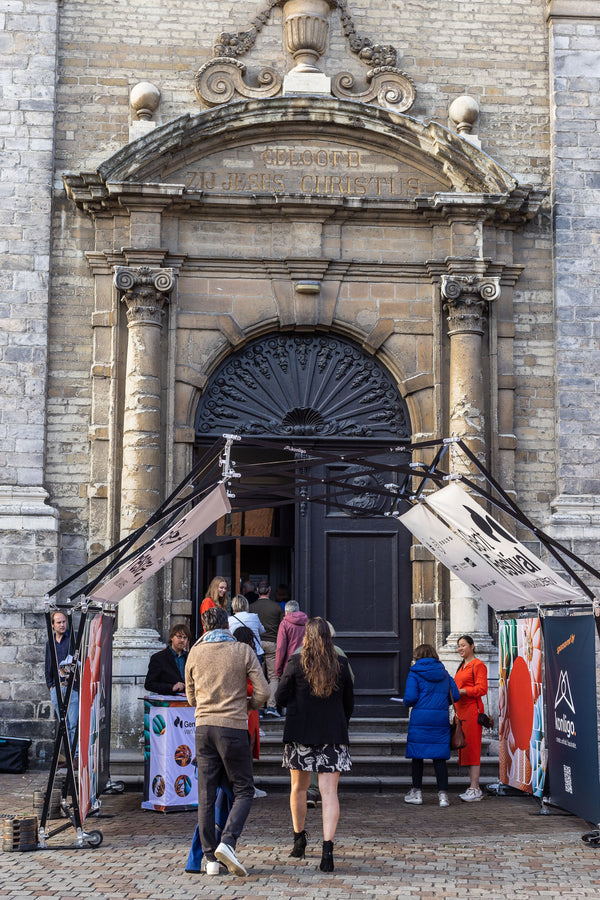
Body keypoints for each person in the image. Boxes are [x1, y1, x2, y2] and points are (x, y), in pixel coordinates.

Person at [185, 606, 270, 877]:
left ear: (204, 626)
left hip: (203, 727)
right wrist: (249, 705)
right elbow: (264, 691)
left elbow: (190, 697)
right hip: (233, 727)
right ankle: (228, 841)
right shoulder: (242, 651)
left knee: (206, 795)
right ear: (227, 626)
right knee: (244, 789)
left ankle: (210, 859)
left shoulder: (195, 652)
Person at [275, 616, 354, 874]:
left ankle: (299, 840)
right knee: (329, 793)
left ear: (306, 637)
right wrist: (340, 723)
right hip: (332, 735)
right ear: (329, 638)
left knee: (298, 788)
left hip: (301, 734)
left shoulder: (296, 662)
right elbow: (349, 703)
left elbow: (280, 696)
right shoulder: (341, 664)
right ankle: (327, 851)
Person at [402, 643, 460, 808]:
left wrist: (406, 701)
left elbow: (411, 697)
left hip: (420, 719)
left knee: (417, 756)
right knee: (439, 757)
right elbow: (455, 695)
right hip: (439, 718)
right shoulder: (444, 673)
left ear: (417, 656)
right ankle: (443, 796)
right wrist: (441, 702)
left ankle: (416, 793)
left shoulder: (415, 673)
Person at [454, 634, 488, 802]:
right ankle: (473, 787)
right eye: (458, 646)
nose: (460, 648)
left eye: (463, 645)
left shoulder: (478, 665)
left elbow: (482, 689)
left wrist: (462, 691)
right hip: (461, 712)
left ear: (472, 646)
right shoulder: (462, 666)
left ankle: (475, 788)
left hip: (472, 712)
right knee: (466, 749)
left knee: (472, 749)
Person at [233, 625, 266, 799]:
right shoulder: (247, 657)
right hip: (244, 707)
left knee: (246, 747)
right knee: (245, 747)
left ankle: (246, 784)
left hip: (241, 707)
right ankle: (244, 785)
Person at [45, 609, 79, 749]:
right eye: (58, 622)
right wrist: (50, 686)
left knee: (74, 724)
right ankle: (68, 753)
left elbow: (83, 660)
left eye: (64, 622)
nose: (62, 625)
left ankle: (75, 755)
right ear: (53, 625)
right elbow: (48, 665)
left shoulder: (73, 638)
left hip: (73, 687)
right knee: (64, 724)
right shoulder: (50, 642)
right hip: (56, 687)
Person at [251, 580, 284, 716]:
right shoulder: (277, 607)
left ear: (257, 591)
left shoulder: (251, 607)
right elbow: (282, 628)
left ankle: (259, 708)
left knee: (257, 676)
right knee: (273, 677)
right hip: (272, 643)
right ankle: (271, 707)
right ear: (269, 591)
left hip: (257, 644)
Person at [144, 623, 191, 695]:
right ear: (172, 637)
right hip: (168, 700)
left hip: (188, 700)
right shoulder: (159, 658)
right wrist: (172, 687)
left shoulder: (190, 657)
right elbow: (149, 684)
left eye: (185, 638)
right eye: (179, 637)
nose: (182, 640)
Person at [275, 600, 308, 679]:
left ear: (286, 612)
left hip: (290, 662)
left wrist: (278, 670)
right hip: (305, 660)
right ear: (298, 610)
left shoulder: (284, 624)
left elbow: (280, 648)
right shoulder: (307, 622)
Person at [228, 595, 265, 664]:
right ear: (246, 605)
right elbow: (262, 630)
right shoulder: (254, 617)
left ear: (233, 606)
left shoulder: (230, 620)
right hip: (254, 652)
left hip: (237, 653)